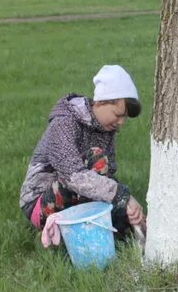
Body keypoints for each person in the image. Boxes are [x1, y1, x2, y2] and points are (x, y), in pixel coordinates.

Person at [19, 65, 146, 242]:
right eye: (118, 114)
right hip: (40, 203)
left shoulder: (105, 129)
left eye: (125, 118)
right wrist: (122, 195)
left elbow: (105, 179)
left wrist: (125, 207)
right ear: (101, 102)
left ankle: (100, 229)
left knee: (127, 221)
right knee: (96, 159)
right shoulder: (65, 121)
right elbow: (73, 176)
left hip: (75, 194)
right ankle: (59, 231)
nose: (121, 122)